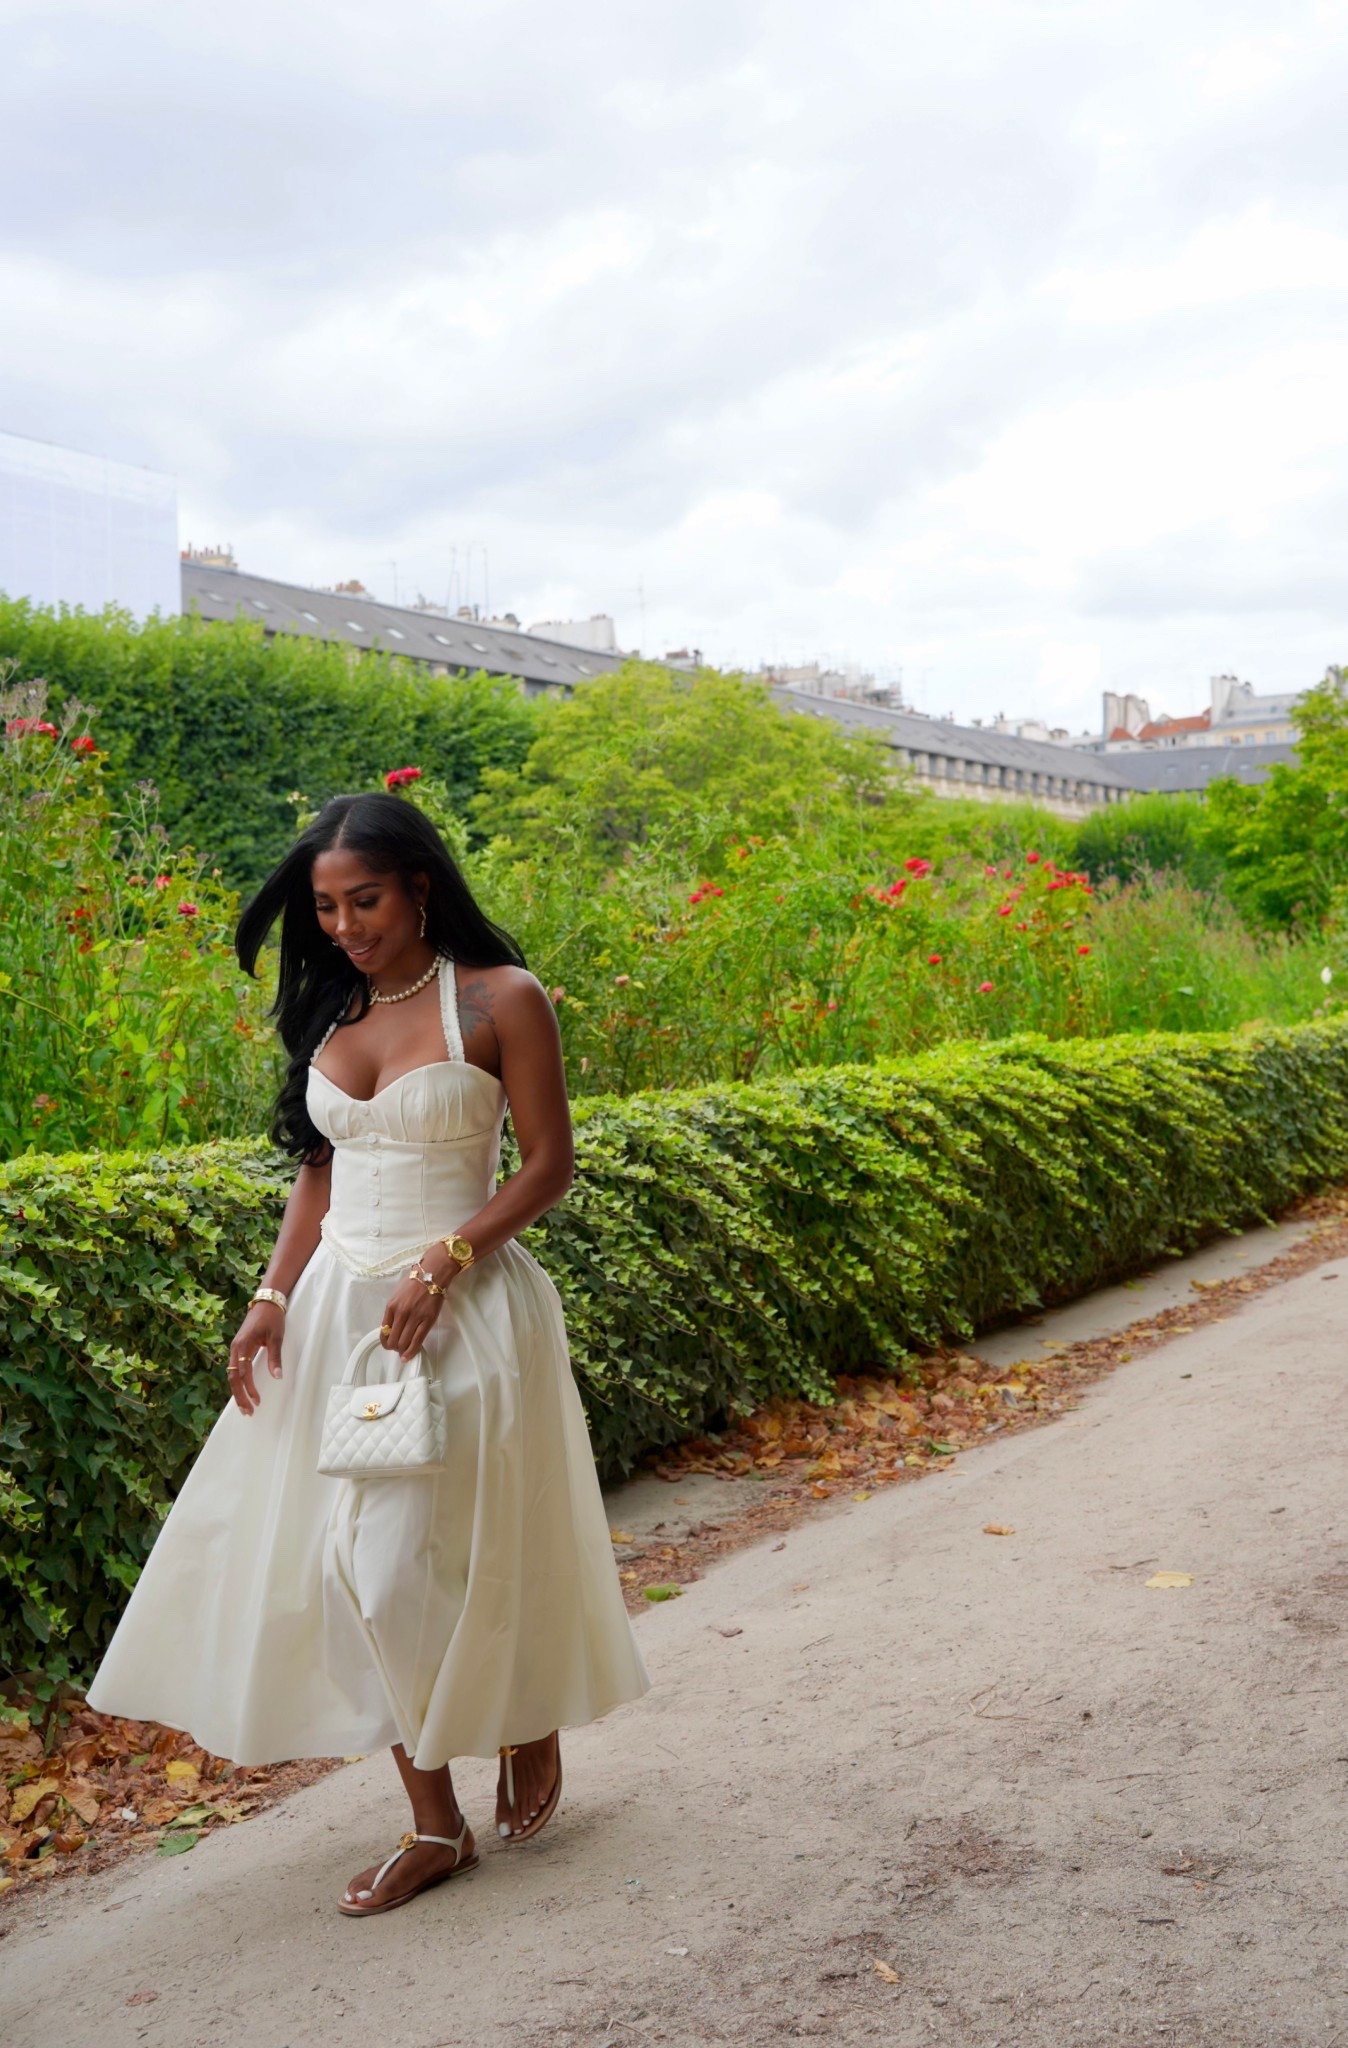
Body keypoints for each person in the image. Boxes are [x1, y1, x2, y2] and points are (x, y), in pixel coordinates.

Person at [88, 791, 650, 1915]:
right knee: (355, 1571)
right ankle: (433, 1820)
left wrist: (446, 1259)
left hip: (464, 1310)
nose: (344, 924)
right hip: (347, 1315)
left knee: (437, 1555)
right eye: (327, 906)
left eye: (366, 899)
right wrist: (269, 1294)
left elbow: (548, 1165)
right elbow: (319, 1166)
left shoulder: (501, 1000)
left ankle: (519, 1710)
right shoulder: (336, 1004)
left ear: (421, 885)